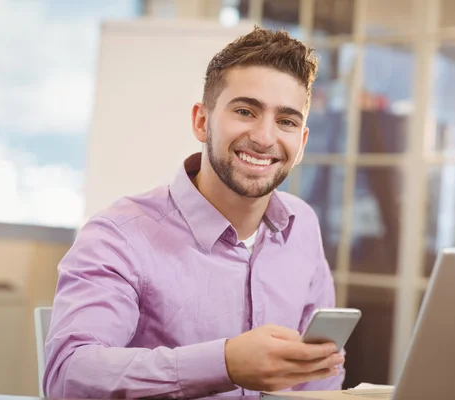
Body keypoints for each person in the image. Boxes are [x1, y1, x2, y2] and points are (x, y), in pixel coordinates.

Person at [44, 26, 345, 399]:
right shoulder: (117, 235)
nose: (265, 137)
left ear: (300, 143)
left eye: (286, 121)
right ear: (202, 122)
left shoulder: (302, 227)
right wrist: (225, 363)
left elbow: (319, 378)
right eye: (245, 111)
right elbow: (69, 376)